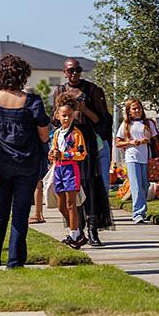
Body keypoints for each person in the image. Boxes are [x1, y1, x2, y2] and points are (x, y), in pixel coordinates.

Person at [0, 54, 51, 271]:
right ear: (22, 75)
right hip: (27, 164)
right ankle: (15, 263)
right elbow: (44, 136)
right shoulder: (33, 102)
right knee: (20, 214)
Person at [52, 58, 113, 246]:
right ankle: (75, 230)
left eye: (77, 70)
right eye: (70, 71)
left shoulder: (92, 90)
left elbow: (102, 121)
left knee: (90, 185)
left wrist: (83, 109)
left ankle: (93, 229)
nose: (74, 74)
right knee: (70, 191)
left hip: (86, 142)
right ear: (64, 72)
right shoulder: (60, 92)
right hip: (65, 143)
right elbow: (54, 119)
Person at [51, 93, 88, 249]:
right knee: (61, 206)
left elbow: (82, 153)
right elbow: (54, 150)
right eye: (64, 116)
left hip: (71, 170)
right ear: (58, 116)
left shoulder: (76, 134)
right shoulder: (57, 133)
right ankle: (78, 232)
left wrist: (65, 154)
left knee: (71, 203)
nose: (66, 119)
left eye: (69, 115)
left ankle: (73, 234)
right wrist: (52, 154)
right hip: (58, 169)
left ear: (73, 115)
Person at [114, 97, 158, 224]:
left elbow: (155, 139)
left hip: (145, 158)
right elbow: (118, 142)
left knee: (145, 185)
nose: (137, 110)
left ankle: (142, 211)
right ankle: (138, 213)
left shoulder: (148, 123)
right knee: (136, 186)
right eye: (134, 108)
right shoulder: (126, 125)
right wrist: (130, 142)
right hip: (132, 157)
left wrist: (147, 139)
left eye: (139, 108)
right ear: (129, 111)